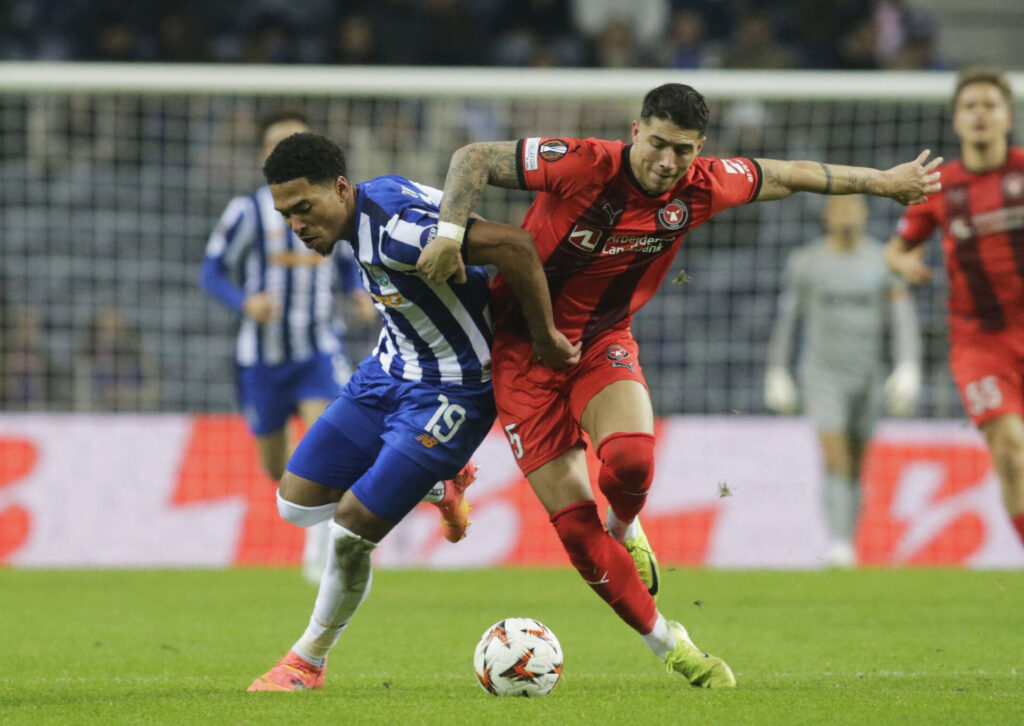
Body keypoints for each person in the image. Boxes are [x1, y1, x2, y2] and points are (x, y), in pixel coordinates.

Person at [417, 82, 941, 687]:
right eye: (658, 145)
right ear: (635, 131)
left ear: (701, 149)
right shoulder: (584, 162)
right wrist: (449, 234)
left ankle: (626, 525)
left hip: (601, 342)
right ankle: (672, 645)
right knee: (577, 533)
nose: (668, 162)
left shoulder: (704, 184)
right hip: (520, 353)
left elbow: (792, 174)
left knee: (633, 461)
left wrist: (885, 181)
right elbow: (473, 158)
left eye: (684, 150)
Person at [247, 132, 578, 691]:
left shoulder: (397, 234)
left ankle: (308, 660)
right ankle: (436, 483)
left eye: (305, 208)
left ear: (341, 189)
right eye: (286, 213)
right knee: (294, 506)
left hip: (453, 390)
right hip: (388, 371)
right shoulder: (372, 204)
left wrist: (543, 336)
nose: (297, 224)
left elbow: (516, 246)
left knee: (351, 530)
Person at [202, 111, 376, 584]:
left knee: (327, 442)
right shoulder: (247, 212)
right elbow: (211, 271)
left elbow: (340, 261)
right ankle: (317, 527)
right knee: (278, 468)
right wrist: (245, 303)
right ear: (264, 155)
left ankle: (326, 543)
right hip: (262, 359)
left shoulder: (328, 205)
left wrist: (358, 291)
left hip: (317, 349)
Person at [885, 67, 1024, 551]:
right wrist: (906, 262)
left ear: (1008, 116)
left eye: (990, 105)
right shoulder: (939, 187)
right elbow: (897, 248)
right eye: (970, 106)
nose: (980, 114)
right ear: (956, 121)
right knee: (1010, 452)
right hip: (980, 342)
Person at [764, 195, 922, 567]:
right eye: (840, 209)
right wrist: (777, 369)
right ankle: (838, 544)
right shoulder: (806, 262)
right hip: (822, 375)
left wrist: (908, 366)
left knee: (856, 461)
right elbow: (788, 321)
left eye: (854, 209)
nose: (847, 216)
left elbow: (903, 319)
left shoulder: (884, 259)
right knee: (835, 457)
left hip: (868, 375)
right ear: (828, 216)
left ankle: (846, 540)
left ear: (865, 214)